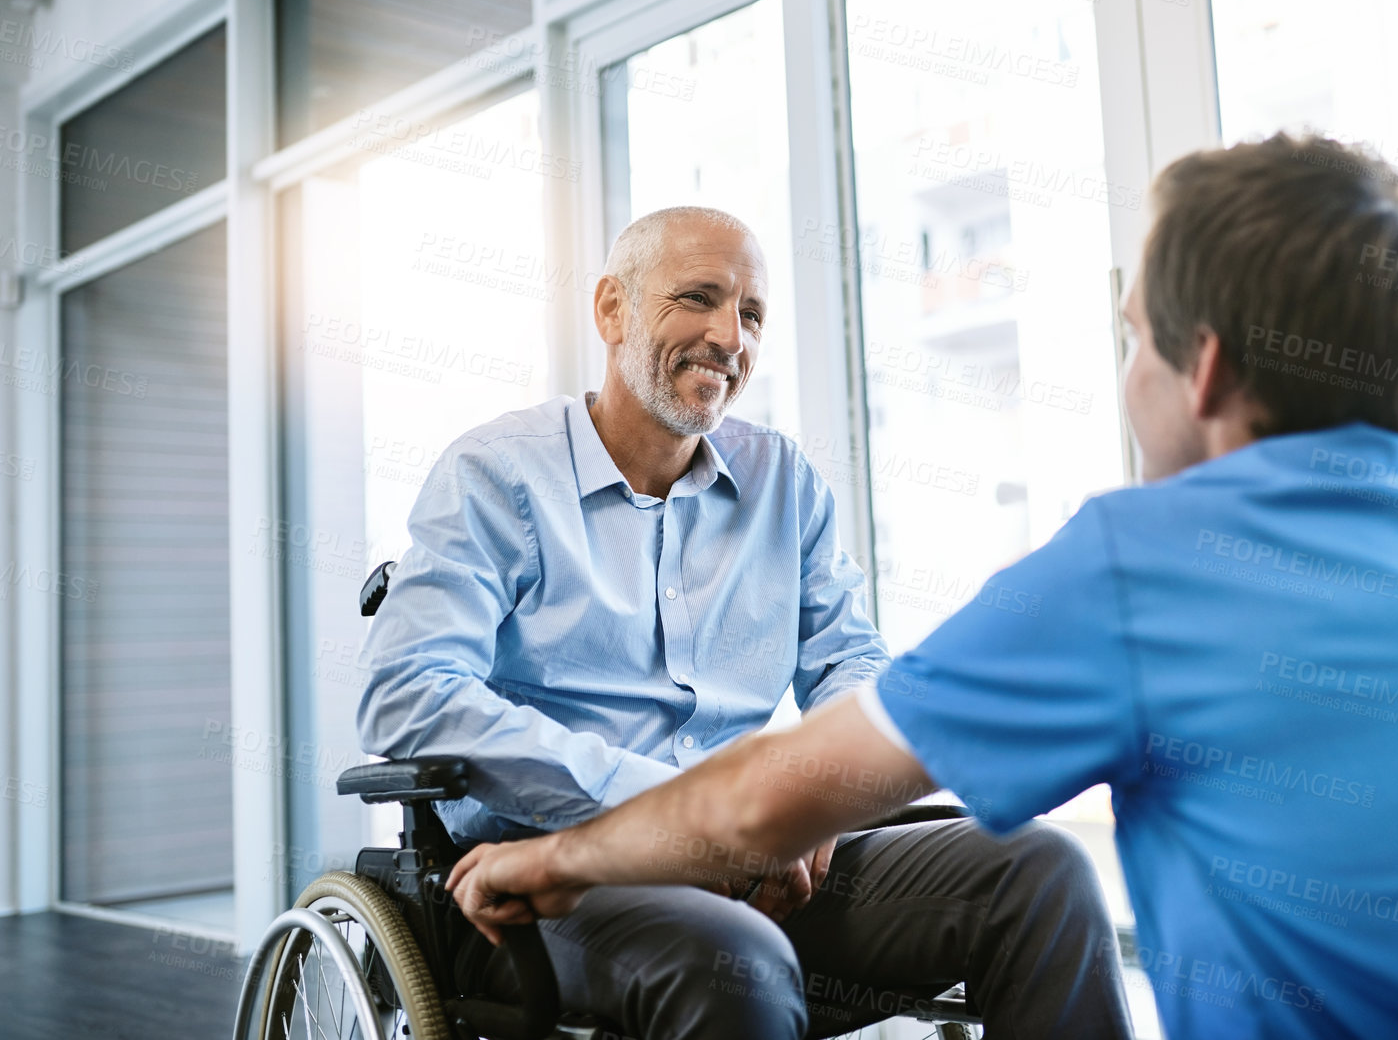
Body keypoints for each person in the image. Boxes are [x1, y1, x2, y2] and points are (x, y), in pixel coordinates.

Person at [450, 137, 1398, 1039]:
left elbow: (760, 794)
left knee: (1031, 874)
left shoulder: (1157, 557)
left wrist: (556, 858)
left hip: (707, 851)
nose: (734, 337)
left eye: (1126, 331)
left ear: (1202, 370)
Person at [356, 205, 1133, 1040]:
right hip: (558, 883)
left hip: (769, 864)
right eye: (698, 298)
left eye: (752, 313)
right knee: (733, 956)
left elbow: (851, 663)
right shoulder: (498, 475)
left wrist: (814, 807)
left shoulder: (783, 482)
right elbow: (407, 691)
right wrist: (688, 814)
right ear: (612, 309)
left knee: (1041, 871)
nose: (731, 337)